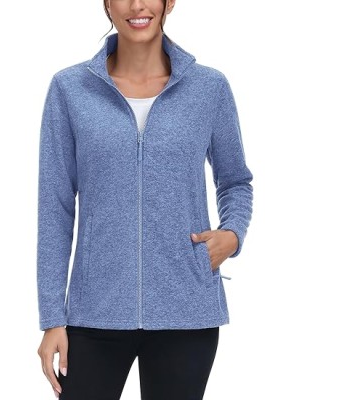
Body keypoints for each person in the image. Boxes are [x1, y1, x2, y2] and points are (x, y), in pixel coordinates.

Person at [36, 0, 253, 399]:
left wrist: (232, 234)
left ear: (170, 2)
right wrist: (52, 317)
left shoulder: (209, 88)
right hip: (94, 312)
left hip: (186, 311)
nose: (138, 5)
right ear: (106, 3)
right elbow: (55, 207)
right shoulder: (69, 89)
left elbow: (236, 180)